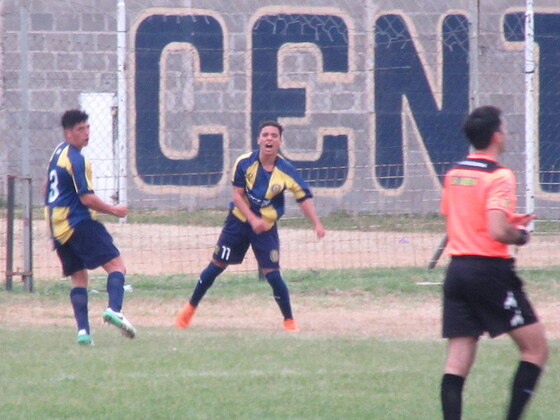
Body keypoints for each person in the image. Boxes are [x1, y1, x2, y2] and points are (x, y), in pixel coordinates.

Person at [439, 105, 548, 419]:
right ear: (496, 135)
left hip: (457, 271)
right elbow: (497, 230)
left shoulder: (455, 173)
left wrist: (509, 219)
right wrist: (521, 234)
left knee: (456, 363)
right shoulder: (500, 176)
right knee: (535, 349)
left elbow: (463, 217)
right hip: (489, 272)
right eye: (506, 128)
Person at [175, 120, 326, 332]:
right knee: (216, 266)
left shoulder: (286, 170)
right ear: (259, 139)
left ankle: (289, 322)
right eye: (265, 135)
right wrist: (252, 219)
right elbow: (237, 195)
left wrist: (316, 224)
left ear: (280, 141)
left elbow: (303, 197)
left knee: (273, 274)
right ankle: (188, 310)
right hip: (238, 221)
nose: (269, 139)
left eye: (274, 135)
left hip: (265, 228)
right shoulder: (244, 163)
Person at [44, 109, 136, 345]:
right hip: (78, 223)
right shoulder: (77, 159)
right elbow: (87, 199)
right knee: (117, 265)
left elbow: (45, 186)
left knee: (78, 277)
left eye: (87, 128)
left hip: (58, 227)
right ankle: (114, 309)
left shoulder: (58, 151)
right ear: (68, 133)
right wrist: (114, 210)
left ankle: (83, 332)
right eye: (80, 129)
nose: (86, 133)